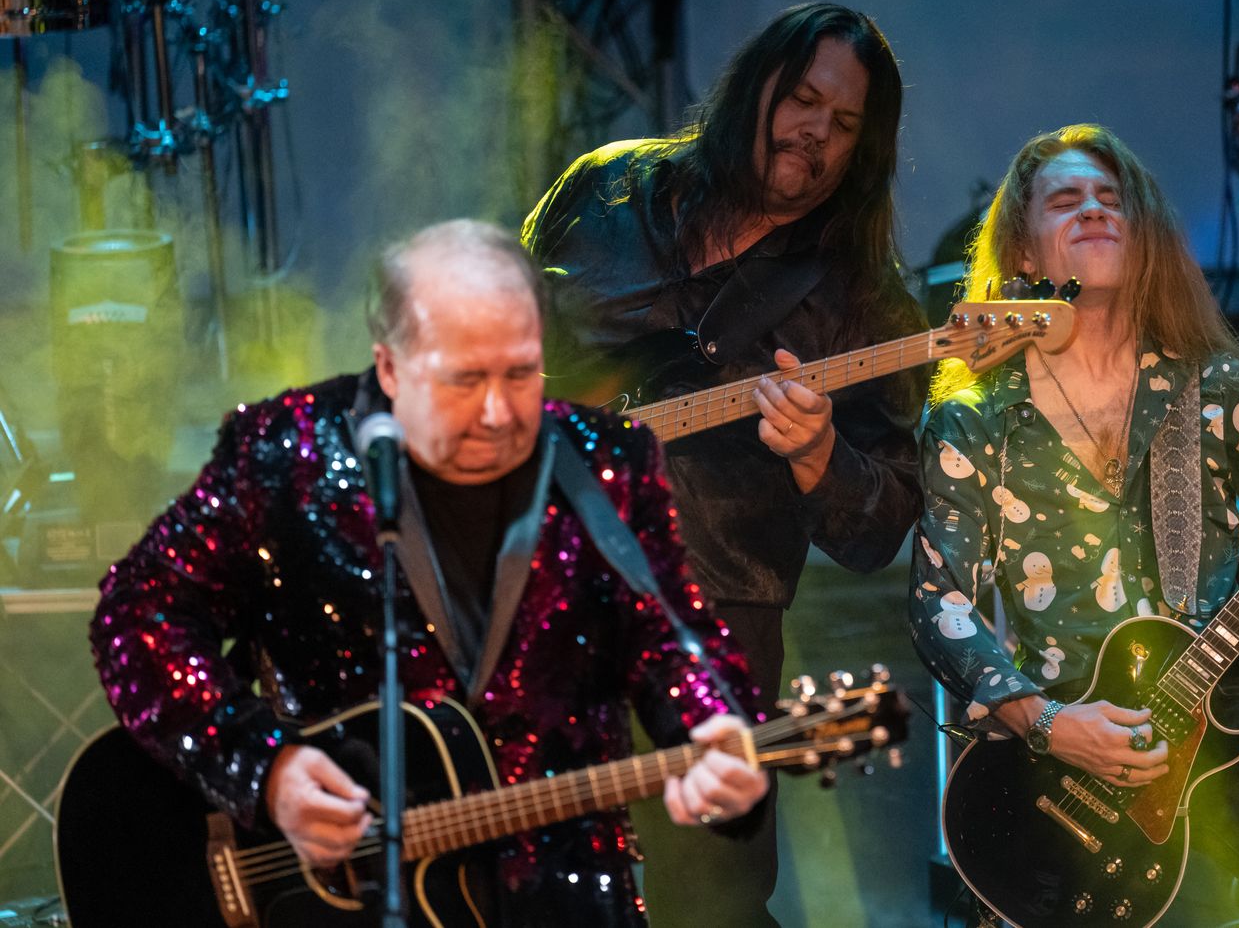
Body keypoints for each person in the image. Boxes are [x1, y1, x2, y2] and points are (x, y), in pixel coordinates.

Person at [89, 220, 768, 927]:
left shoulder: (607, 461)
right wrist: (264, 770)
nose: (498, 413)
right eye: (463, 380)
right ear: (390, 367)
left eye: (521, 374)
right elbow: (136, 611)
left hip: (562, 899)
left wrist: (716, 726)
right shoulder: (286, 456)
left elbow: (672, 637)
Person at [909, 124, 1239, 928]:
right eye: (1066, 200)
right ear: (1024, 253)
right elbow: (940, 602)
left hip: (1222, 716)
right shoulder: (976, 415)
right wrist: (1047, 723)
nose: (1094, 210)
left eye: (1113, 199)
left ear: (1142, 238)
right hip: (1064, 741)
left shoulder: (1212, 381)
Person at [522, 2, 925, 926]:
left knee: (709, 895)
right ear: (756, 86)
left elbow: (882, 523)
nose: (816, 131)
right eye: (803, 99)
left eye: (844, 123)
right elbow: (498, 338)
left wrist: (820, 454)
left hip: (713, 618)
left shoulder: (863, 298)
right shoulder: (606, 189)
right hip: (538, 578)